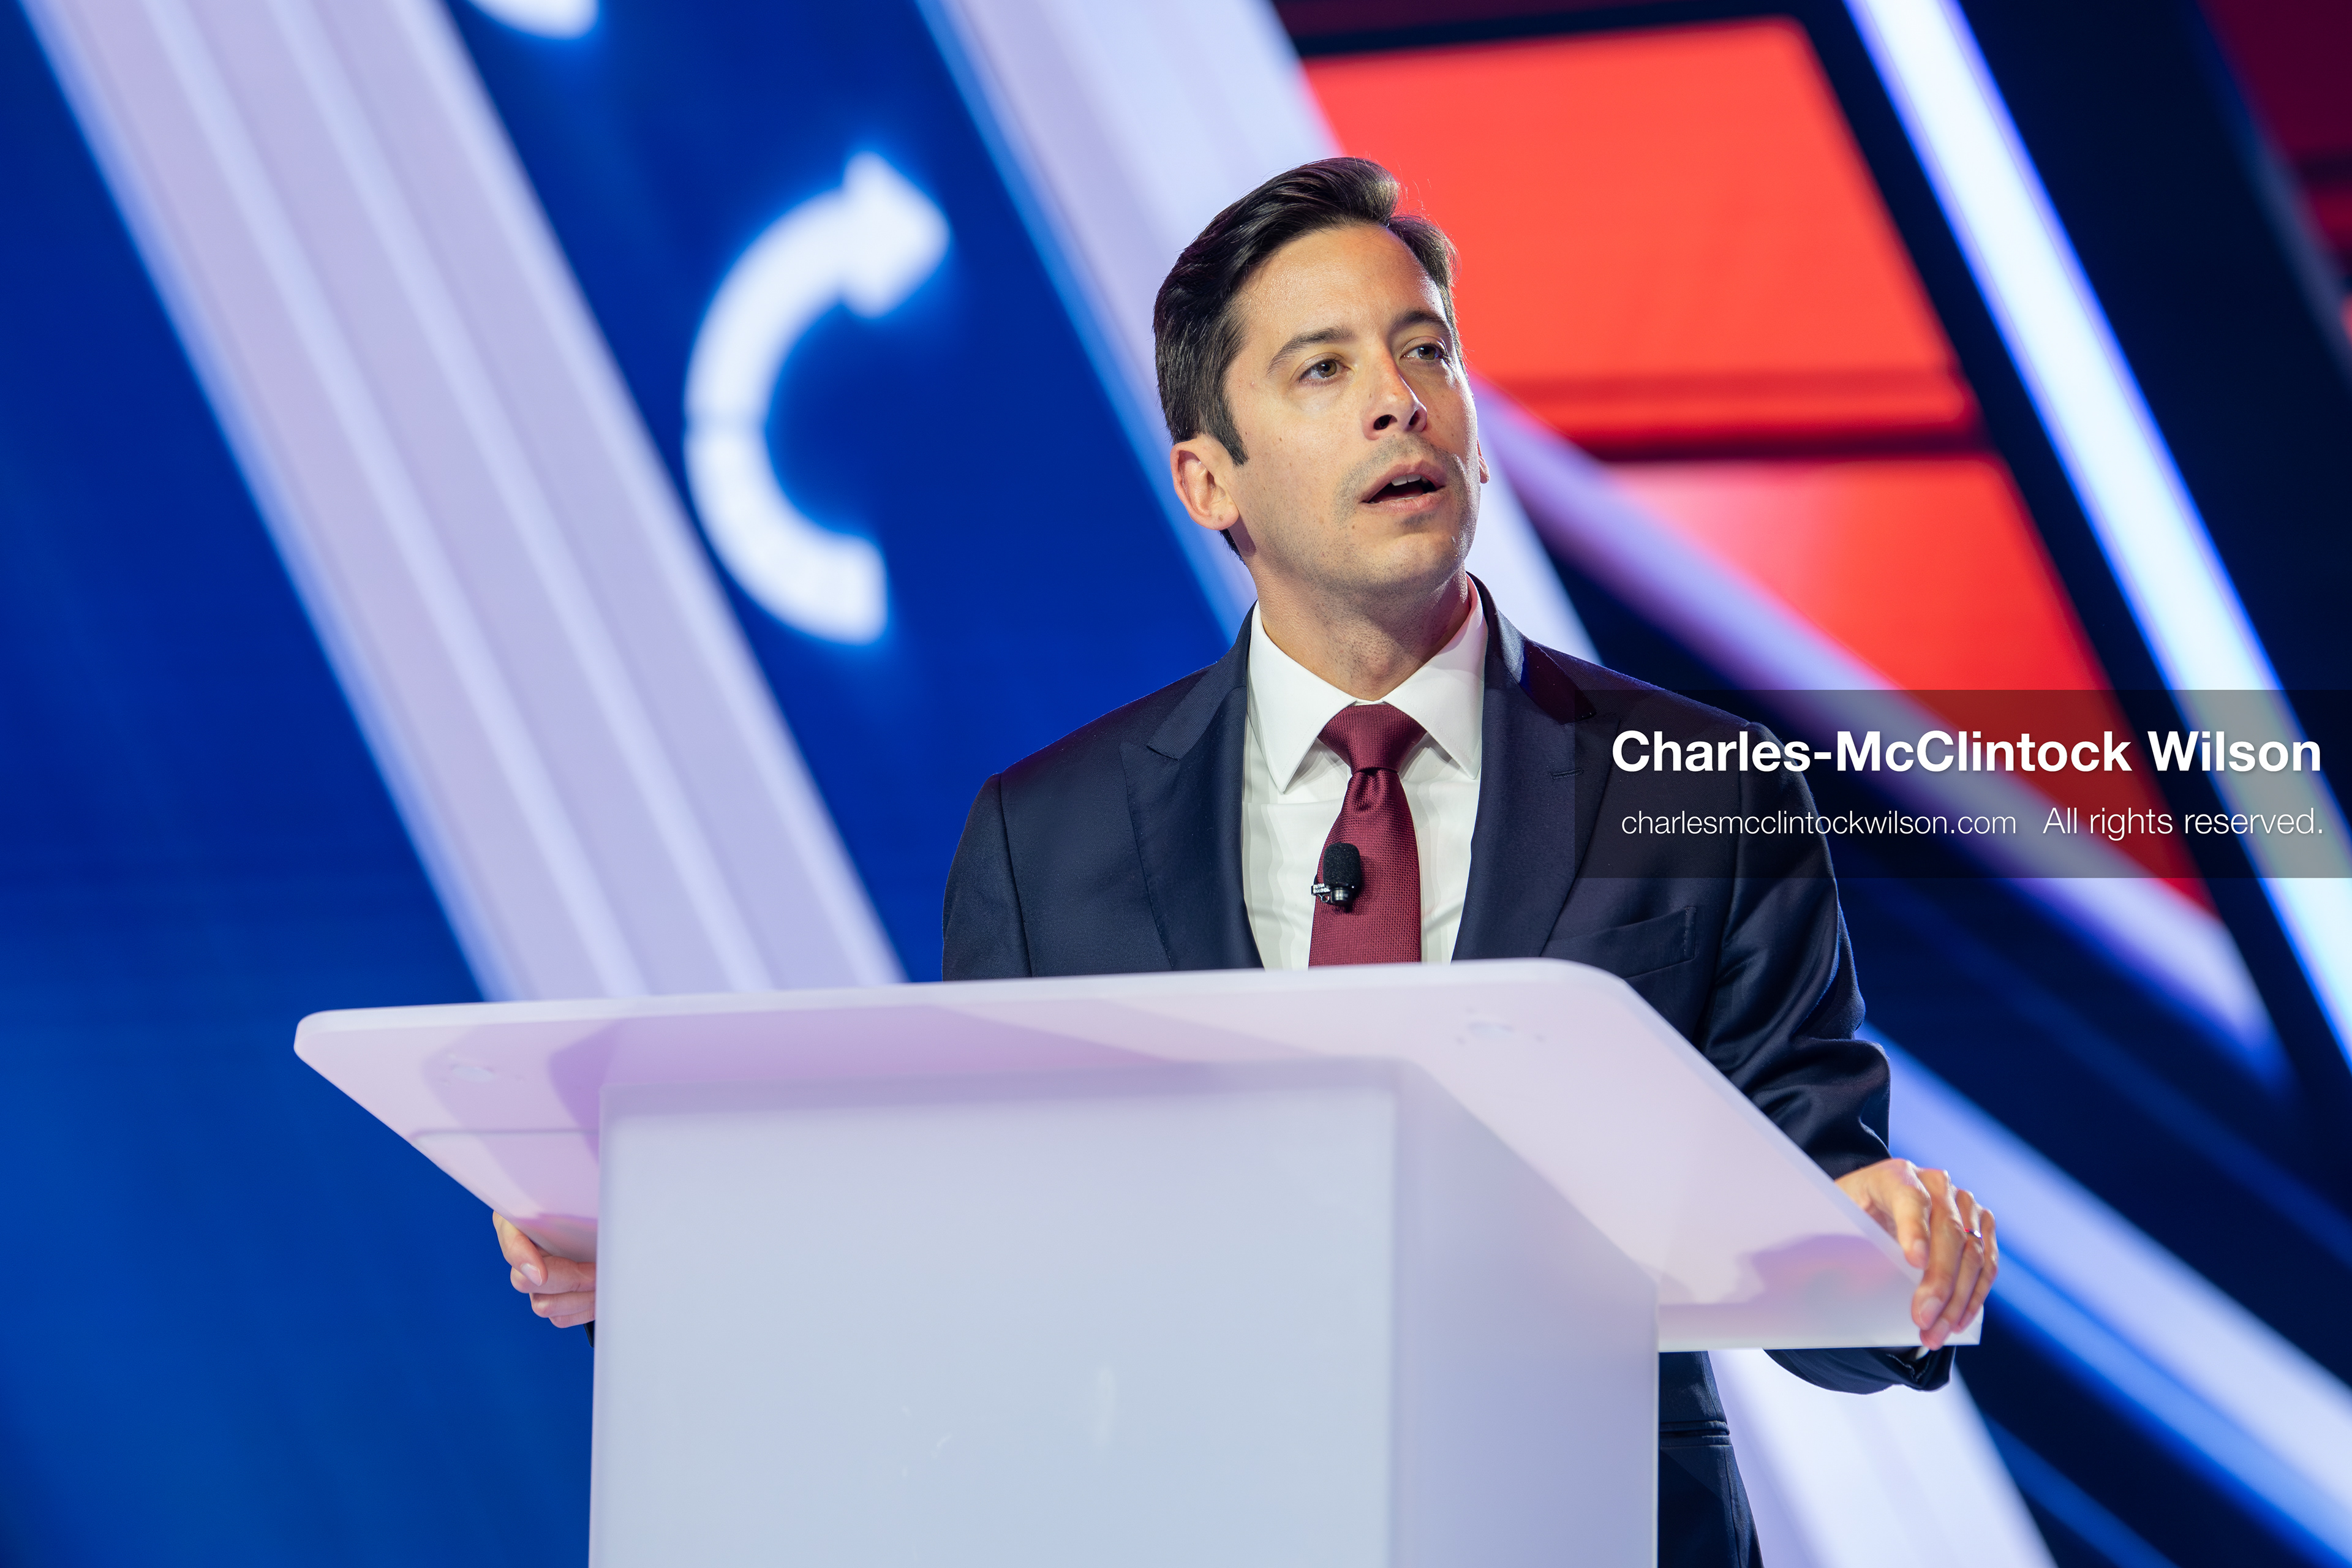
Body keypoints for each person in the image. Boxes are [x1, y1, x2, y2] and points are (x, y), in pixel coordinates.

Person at [497, 156, 1997, 1567]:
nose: (1400, 405)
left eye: (1426, 351)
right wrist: (688, 1273)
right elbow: (977, 1259)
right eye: (1325, 369)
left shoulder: (1702, 788)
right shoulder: (1049, 836)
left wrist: (1892, 1250)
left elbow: (1817, 1215)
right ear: (1210, 480)